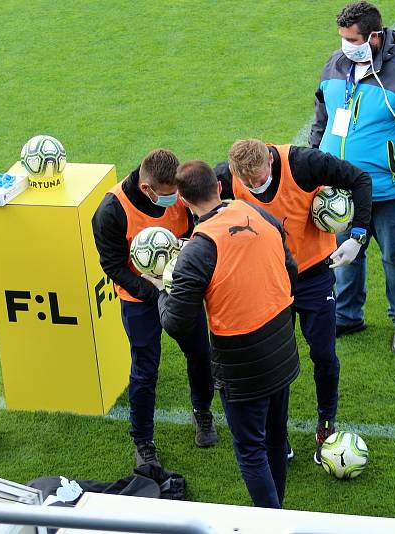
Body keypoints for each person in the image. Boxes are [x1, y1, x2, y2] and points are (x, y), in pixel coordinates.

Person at [215, 139, 371, 464]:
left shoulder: (304, 163)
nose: (256, 188)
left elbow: (360, 179)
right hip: (269, 280)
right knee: (274, 364)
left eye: (260, 181)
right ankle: (277, 433)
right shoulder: (227, 178)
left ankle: (326, 424)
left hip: (314, 276)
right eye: (249, 185)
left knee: (324, 355)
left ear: (269, 162)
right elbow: (194, 195)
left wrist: (357, 237)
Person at [158, 160, 299, 509]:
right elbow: (290, 268)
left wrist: (162, 288)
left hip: (241, 359)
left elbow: (177, 322)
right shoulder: (254, 211)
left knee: (251, 449)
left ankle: (272, 522)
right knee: (276, 435)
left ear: (183, 201)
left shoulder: (196, 251)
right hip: (282, 339)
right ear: (219, 188)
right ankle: (276, 511)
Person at [309, 1, 395, 352]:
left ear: (373, 37)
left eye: (351, 38)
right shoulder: (335, 65)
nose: (345, 45)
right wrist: (314, 158)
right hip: (341, 190)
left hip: (390, 192)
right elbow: (322, 115)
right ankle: (347, 315)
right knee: (345, 254)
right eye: (341, 37)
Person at [91, 149, 216, 468]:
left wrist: (190, 249)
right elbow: (113, 266)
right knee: (145, 371)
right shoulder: (111, 210)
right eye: (168, 194)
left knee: (201, 354)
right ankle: (143, 442)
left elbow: (196, 228)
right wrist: (154, 290)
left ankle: (202, 412)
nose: (175, 198)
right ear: (147, 189)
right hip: (140, 300)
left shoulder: (180, 192)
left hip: (182, 291)